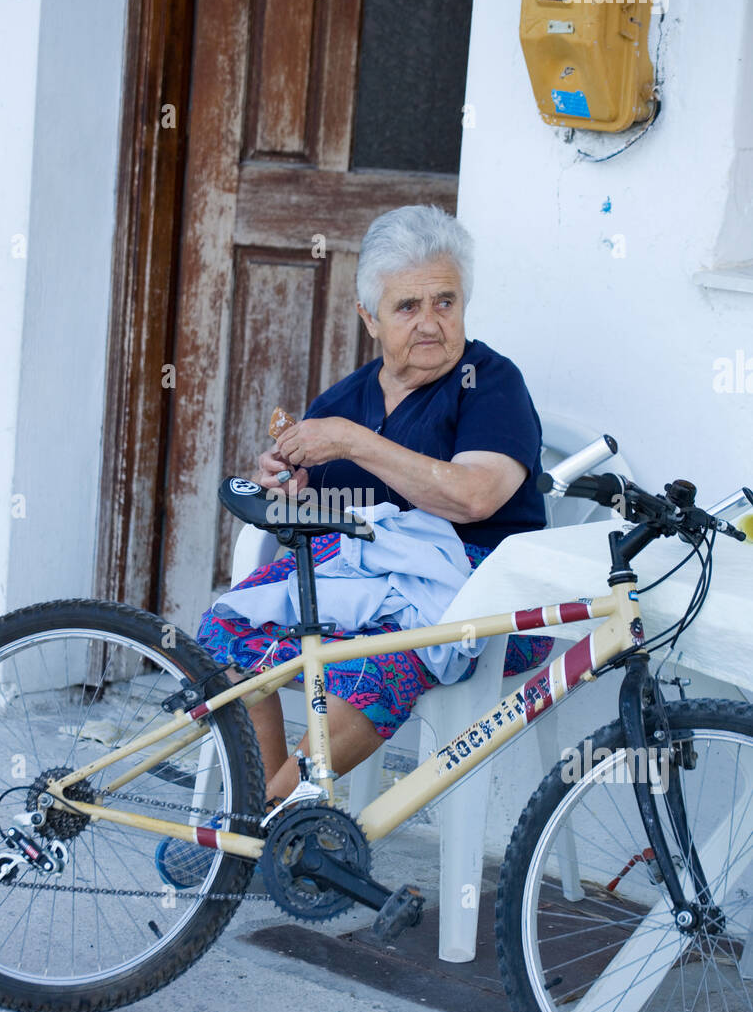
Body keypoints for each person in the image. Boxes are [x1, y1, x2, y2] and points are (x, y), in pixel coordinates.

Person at [156, 205, 551, 887]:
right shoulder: (348, 397)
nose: (430, 322)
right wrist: (281, 483)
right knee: (227, 628)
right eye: (407, 307)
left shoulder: (489, 384)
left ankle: (256, 828)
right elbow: (319, 515)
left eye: (445, 301)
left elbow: (474, 498)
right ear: (371, 318)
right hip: (366, 582)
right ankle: (269, 808)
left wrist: (353, 443)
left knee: (378, 658)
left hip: (485, 598)